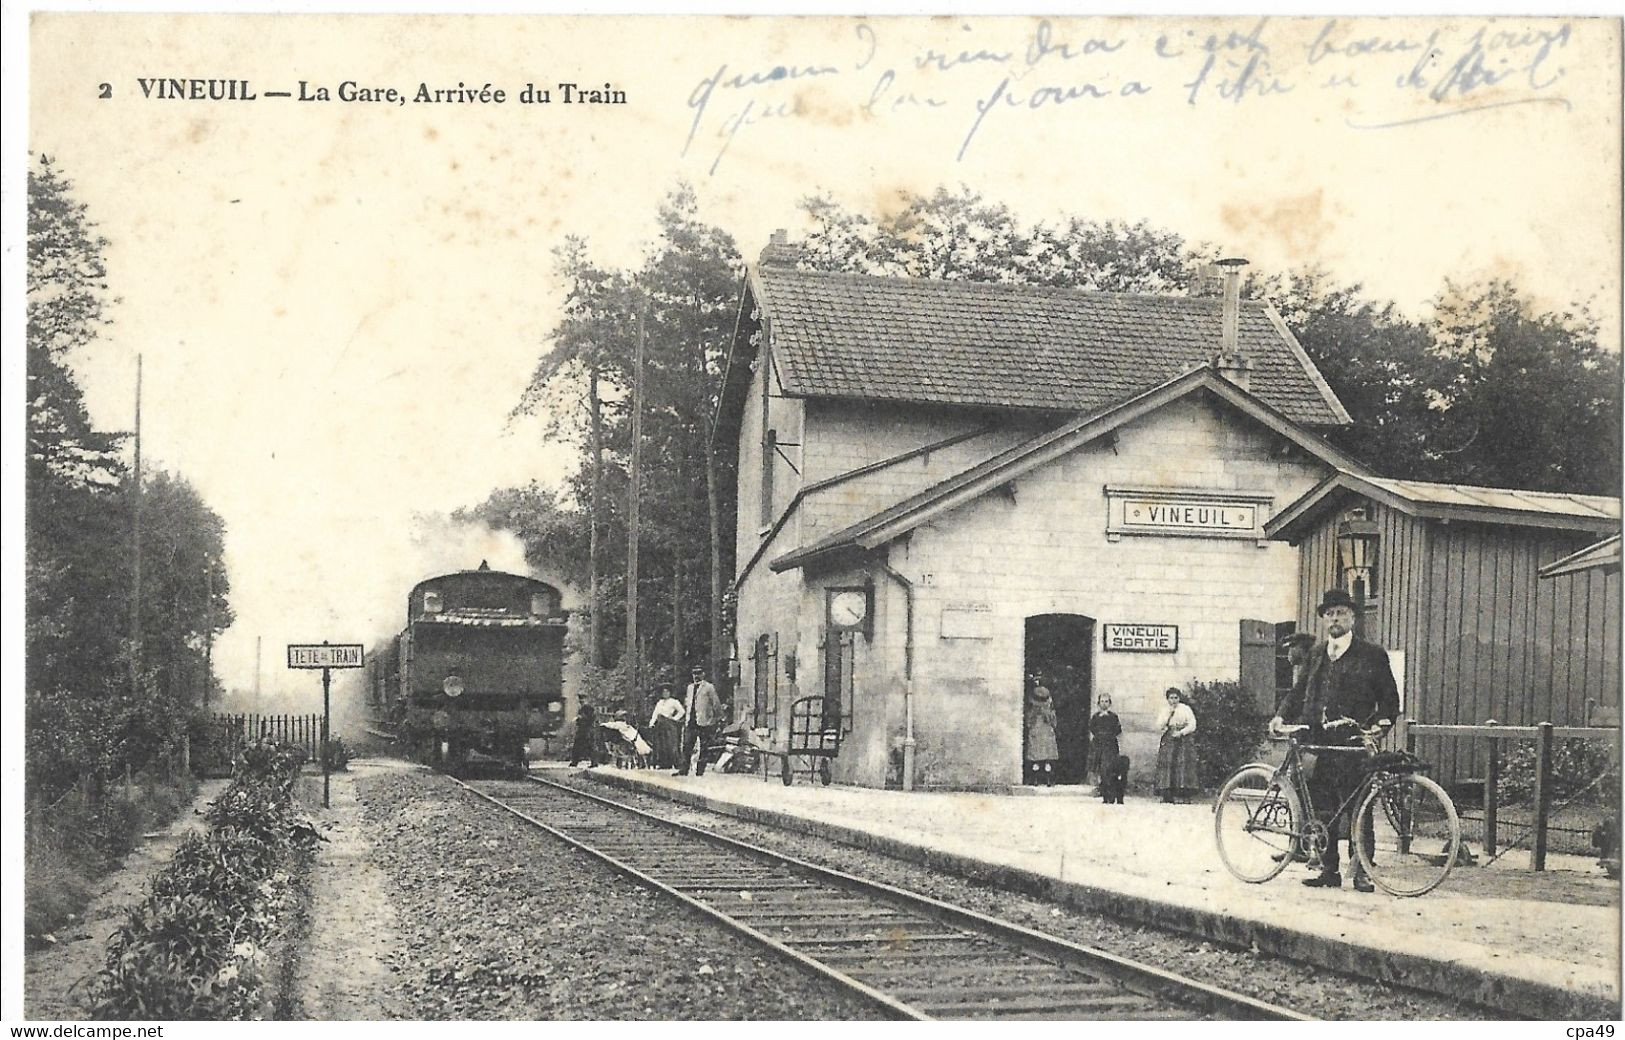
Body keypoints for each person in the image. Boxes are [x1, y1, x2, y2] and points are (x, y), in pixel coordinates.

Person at [1272, 588, 1399, 893]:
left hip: (1353, 743)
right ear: (1324, 620)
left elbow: (1390, 699)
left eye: (1341, 613)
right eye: (1329, 614)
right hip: (1318, 743)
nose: (1335, 619)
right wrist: (1281, 715)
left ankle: (1362, 871)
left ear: (1353, 617)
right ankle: (1329, 870)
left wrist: (1381, 724)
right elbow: (1299, 691)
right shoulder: (1316, 654)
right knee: (1322, 806)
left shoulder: (1372, 654)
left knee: (1359, 807)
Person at [675, 665, 723, 777]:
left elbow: (716, 703)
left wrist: (716, 719)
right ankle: (683, 770)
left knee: (704, 747)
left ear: (703, 674)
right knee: (687, 746)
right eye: (694, 673)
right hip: (691, 721)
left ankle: (700, 771)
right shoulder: (690, 687)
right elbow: (688, 703)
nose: (696, 675)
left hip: (704, 721)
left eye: (698, 673)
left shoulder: (709, 687)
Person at [1154, 687, 1198, 803]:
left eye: (1176, 698)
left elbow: (1192, 724)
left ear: (1179, 698)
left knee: (1183, 765)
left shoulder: (1185, 709)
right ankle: (1167, 795)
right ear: (1167, 699)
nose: (1173, 701)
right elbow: (1159, 726)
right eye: (1171, 698)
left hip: (1184, 739)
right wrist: (1168, 716)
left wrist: (1182, 732)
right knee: (1167, 764)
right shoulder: (1165, 710)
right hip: (1170, 738)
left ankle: (1184, 796)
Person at [1025, 673, 1059, 786]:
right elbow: (1054, 723)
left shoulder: (1032, 713)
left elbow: (1028, 723)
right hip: (1047, 734)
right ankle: (1048, 780)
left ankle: (1035, 780)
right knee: (1047, 760)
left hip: (1036, 733)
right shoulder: (1049, 712)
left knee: (1036, 760)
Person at [1086, 693, 1122, 788]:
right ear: (1098, 703)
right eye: (1102, 701)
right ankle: (1098, 786)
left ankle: (1107, 787)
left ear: (1110, 703)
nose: (1104, 704)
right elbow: (1092, 728)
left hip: (1110, 745)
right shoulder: (1096, 717)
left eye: (1106, 701)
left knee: (1108, 765)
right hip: (1098, 744)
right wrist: (1099, 735)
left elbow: (1118, 730)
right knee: (1097, 764)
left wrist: (1109, 736)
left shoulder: (1113, 717)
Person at [647, 682, 686, 770]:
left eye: (667, 692)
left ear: (670, 692)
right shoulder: (660, 702)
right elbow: (655, 714)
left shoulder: (673, 701)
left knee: (671, 743)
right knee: (661, 744)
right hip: (660, 724)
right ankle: (664, 763)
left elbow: (682, 711)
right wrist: (652, 723)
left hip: (669, 724)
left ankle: (676, 763)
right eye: (663, 692)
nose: (665, 693)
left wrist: (674, 719)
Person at [567, 703, 600, 767]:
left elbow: (587, 721)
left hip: (586, 732)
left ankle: (576, 762)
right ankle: (592, 762)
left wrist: (580, 720)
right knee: (585, 747)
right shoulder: (588, 711)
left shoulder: (587, 710)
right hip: (585, 732)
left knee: (584, 747)